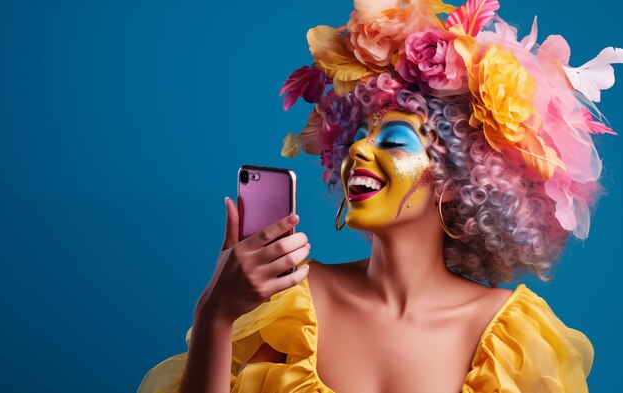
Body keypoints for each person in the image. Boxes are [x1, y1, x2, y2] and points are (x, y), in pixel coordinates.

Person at [138, 0, 622, 391]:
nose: (358, 149)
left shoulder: (511, 336)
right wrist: (216, 315)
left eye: (392, 140)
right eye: (356, 138)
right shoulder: (292, 304)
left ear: (458, 183)